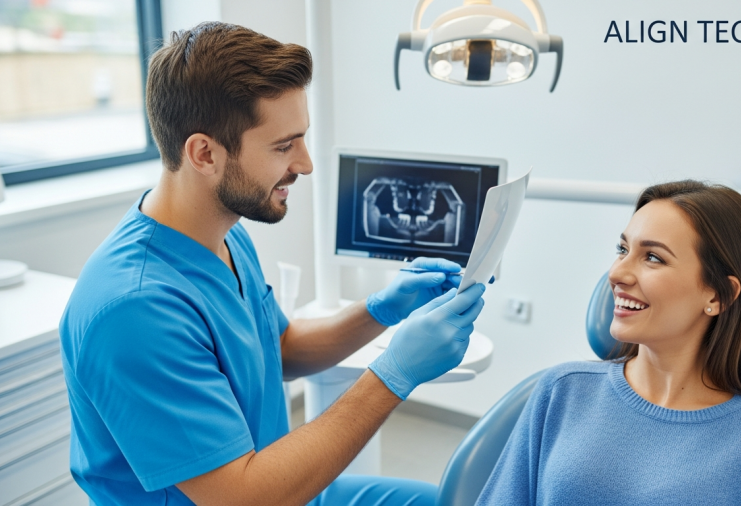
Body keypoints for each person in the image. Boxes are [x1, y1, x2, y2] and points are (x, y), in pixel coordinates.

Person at [59, 22, 486, 506]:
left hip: (275, 483)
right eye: (284, 146)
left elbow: (277, 348)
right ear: (204, 153)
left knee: (455, 499)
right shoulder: (133, 309)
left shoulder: (225, 232)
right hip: (255, 493)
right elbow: (243, 497)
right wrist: (395, 373)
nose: (304, 164)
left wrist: (381, 310)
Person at [477, 180, 741, 505]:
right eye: (622, 249)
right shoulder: (563, 391)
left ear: (719, 295)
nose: (617, 273)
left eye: (653, 257)